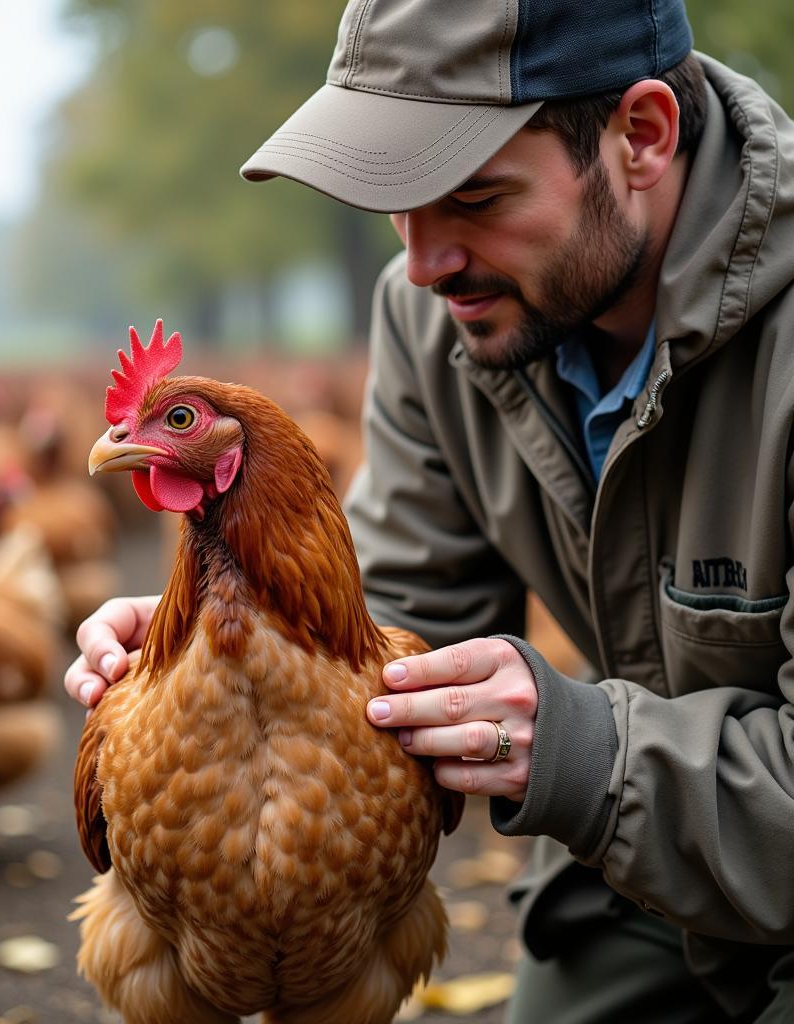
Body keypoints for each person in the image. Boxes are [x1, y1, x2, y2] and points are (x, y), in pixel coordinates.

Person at [65, 0, 794, 1019]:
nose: (421, 263)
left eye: (476, 195)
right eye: (395, 203)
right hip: (652, 867)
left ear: (640, 135)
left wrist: (582, 752)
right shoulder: (443, 311)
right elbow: (406, 623)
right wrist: (244, 643)